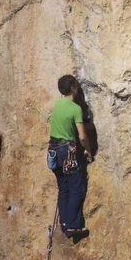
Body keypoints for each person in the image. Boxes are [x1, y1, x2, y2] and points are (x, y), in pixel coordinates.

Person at [47, 75, 91, 238]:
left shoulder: (57, 105)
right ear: (72, 88)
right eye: (77, 86)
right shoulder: (75, 108)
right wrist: (88, 149)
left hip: (53, 149)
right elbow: (82, 136)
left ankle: (65, 222)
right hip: (68, 151)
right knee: (76, 188)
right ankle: (74, 225)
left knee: (63, 187)